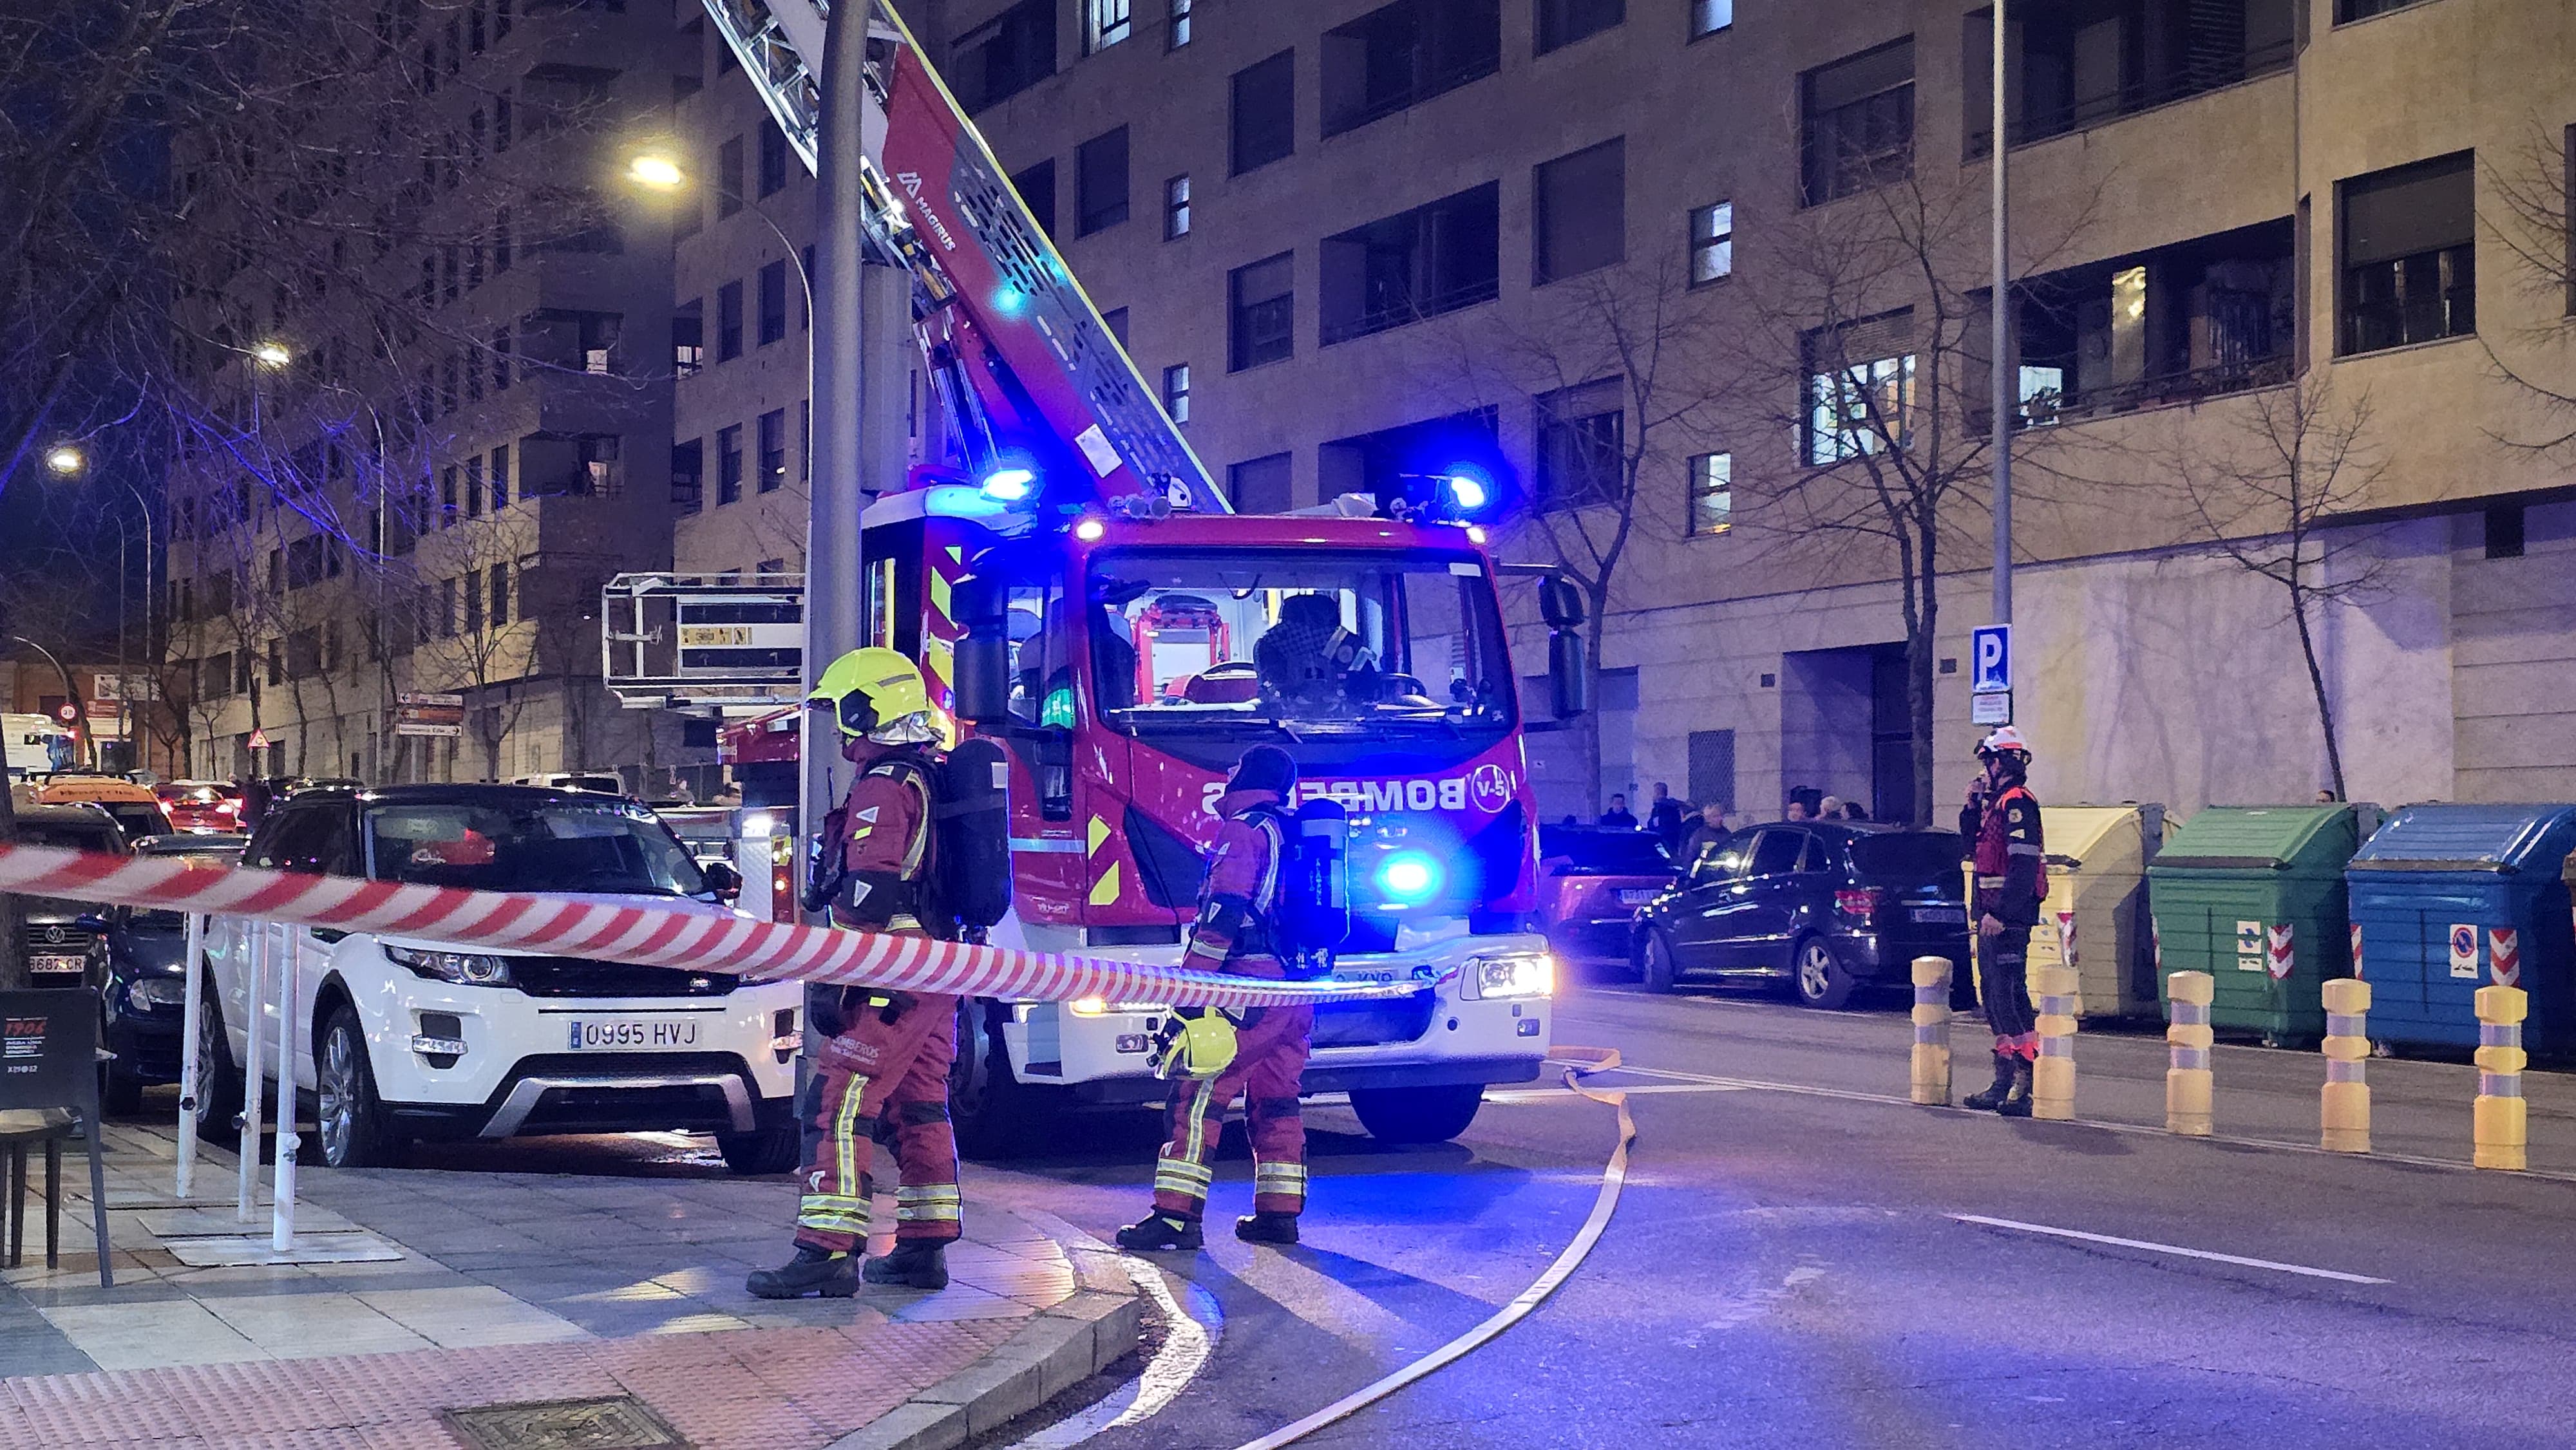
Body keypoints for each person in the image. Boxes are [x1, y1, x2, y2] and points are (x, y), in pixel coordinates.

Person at [748, 648, 963, 1299]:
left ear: (869, 710)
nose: (841, 732)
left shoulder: (882, 783)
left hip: (889, 977)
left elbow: (869, 896)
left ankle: (827, 1251)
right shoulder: (929, 773)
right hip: (934, 970)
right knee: (918, 1103)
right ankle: (924, 1248)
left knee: (838, 1103)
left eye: (843, 715)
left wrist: (834, 978)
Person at [1119, 745, 1314, 1252]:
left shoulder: (1243, 829)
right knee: (1277, 1098)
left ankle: (1176, 1219)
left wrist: (1192, 989)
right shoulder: (1293, 829)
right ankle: (1279, 1215)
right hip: (1296, 987)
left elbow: (1223, 914)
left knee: (1199, 1093)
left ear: (1247, 777)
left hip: (1247, 984)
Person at [1958, 726, 2045, 1118]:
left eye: (1986, 764)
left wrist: (2001, 914)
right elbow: (1972, 849)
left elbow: (2024, 865)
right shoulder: (1995, 805)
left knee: (2011, 996)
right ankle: (2002, 1081)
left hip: (2006, 918)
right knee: (1993, 999)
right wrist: (1971, 807)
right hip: (1991, 916)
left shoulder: (2018, 804)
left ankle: (2024, 1086)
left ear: (1999, 763)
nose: (1983, 772)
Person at [1254, 593, 1372, 711]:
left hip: (1288, 714)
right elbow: (1367, 691)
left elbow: (1270, 691)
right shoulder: (1349, 641)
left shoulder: (1269, 643)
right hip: (1342, 714)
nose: (1307, 633)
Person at [1678, 802, 1730, 869]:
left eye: (1720, 816)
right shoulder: (1699, 834)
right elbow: (1691, 856)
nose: (1720, 819)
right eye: (1715, 816)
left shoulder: (1727, 835)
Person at [1646, 783, 1687, 848]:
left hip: (1666, 839)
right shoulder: (1659, 808)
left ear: (1658, 793)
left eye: (1654, 792)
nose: (1653, 796)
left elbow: (1665, 823)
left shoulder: (1667, 807)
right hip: (1667, 837)